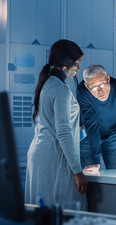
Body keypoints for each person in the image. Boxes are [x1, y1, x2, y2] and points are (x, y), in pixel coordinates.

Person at [25, 39, 88, 210]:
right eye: (77, 64)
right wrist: (77, 171)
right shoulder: (60, 90)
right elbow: (63, 132)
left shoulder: (49, 83)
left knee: (41, 212)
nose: (79, 69)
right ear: (66, 63)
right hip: (53, 156)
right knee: (64, 211)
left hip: (42, 152)